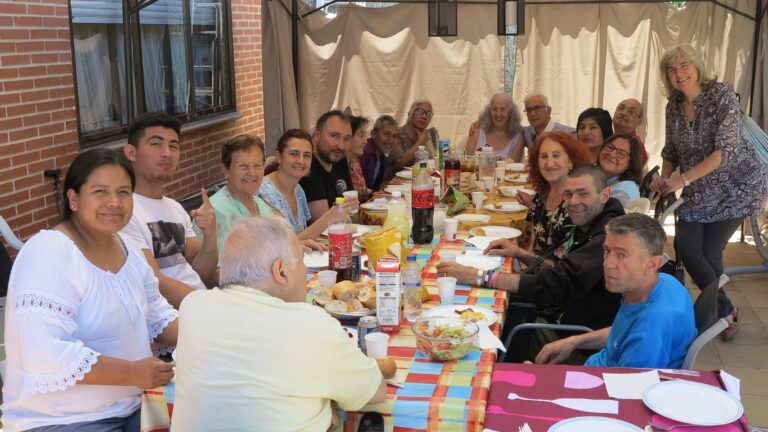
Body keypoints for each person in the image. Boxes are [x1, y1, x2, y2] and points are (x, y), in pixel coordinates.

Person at [1, 149, 178, 432]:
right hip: (63, 421)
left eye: (123, 192)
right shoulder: (49, 252)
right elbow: (46, 354)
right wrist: (133, 372)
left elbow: (159, 318)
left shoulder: (130, 251)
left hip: (135, 407)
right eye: (100, 191)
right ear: (73, 198)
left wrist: (215, 331)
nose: (114, 202)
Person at [171, 216, 386, 431]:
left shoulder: (194, 307)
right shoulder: (312, 324)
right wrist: (324, 407)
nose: (304, 272)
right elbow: (376, 392)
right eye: (301, 261)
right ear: (281, 271)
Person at [440, 165, 624, 361]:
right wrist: (519, 253)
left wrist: (479, 276)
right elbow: (563, 272)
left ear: (605, 194)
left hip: (570, 337)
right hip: (559, 316)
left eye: (583, 194)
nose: (573, 202)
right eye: (568, 195)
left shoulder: (606, 239)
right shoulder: (596, 221)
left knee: (475, 336)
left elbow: (551, 285)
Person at [651, 43, 768, 341]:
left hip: (737, 184)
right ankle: (726, 310)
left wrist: (682, 181)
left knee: (709, 252)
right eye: (672, 69)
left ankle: (718, 314)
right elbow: (671, 150)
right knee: (688, 249)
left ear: (697, 66)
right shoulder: (673, 107)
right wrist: (665, 180)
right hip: (700, 186)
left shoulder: (722, 95)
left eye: (684, 66)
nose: (679, 73)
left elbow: (725, 151)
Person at [536, 213, 697, 369]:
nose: (607, 264)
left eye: (621, 255)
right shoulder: (666, 282)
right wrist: (573, 342)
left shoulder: (648, 336)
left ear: (652, 264)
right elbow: (624, 333)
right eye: (607, 251)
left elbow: (627, 393)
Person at [121, 112, 218, 308]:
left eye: (173, 146)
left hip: (199, 307)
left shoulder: (175, 208)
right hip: (174, 320)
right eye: (156, 144)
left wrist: (210, 236)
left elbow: (201, 272)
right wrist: (210, 306)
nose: (167, 153)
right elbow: (154, 282)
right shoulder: (123, 211)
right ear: (131, 152)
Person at [511, 131, 592, 265]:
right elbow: (533, 244)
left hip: (559, 280)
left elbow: (569, 268)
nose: (549, 163)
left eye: (556, 155)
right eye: (543, 156)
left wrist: (518, 254)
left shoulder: (577, 202)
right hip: (538, 271)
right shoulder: (541, 196)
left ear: (571, 160)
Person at [261, 129, 357, 240]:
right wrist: (331, 215)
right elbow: (285, 244)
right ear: (279, 157)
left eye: (307, 155)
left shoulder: (298, 190)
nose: (301, 161)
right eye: (294, 154)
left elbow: (303, 236)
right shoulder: (264, 192)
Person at [193, 134, 273, 253]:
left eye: (257, 165)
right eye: (242, 166)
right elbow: (215, 269)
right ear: (226, 170)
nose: (251, 173)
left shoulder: (260, 204)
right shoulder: (215, 211)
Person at [299, 110, 356, 222]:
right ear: (316, 135)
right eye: (334, 136)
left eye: (347, 139)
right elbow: (326, 225)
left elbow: (352, 210)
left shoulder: (339, 159)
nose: (341, 146)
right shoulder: (306, 166)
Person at [465, 92, 525, 161]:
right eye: (494, 109)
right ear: (489, 111)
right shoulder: (477, 130)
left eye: (503, 109)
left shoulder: (518, 137)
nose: (498, 114)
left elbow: (513, 168)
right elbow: (466, 160)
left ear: (510, 113)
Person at [597, 133, 643, 207]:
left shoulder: (624, 191)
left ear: (631, 163)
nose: (612, 154)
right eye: (609, 147)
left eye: (621, 153)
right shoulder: (595, 178)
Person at [391, 100, 440, 168]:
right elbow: (399, 163)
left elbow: (435, 161)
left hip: (423, 177)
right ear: (410, 113)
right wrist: (420, 142)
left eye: (428, 114)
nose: (424, 116)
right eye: (420, 111)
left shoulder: (431, 135)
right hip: (397, 178)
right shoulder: (396, 134)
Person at [360, 115, 398, 190]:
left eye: (394, 136)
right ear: (373, 134)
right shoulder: (365, 152)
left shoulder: (380, 153)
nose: (390, 140)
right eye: (386, 134)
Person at [612, 98, 649, 163]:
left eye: (631, 112)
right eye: (621, 108)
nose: (623, 113)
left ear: (639, 121)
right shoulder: (610, 137)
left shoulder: (635, 146)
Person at [347, 115, 372, 202]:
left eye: (365, 136)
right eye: (361, 136)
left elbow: (360, 189)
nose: (365, 141)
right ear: (348, 137)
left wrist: (374, 194)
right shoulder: (338, 166)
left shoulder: (354, 161)